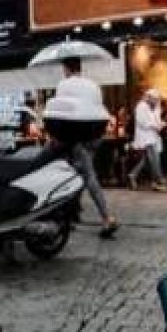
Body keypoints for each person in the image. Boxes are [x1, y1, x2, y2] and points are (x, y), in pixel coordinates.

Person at [54, 57, 118, 237]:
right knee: (78, 173)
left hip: (76, 137)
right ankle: (71, 214)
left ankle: (107, 218)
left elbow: (61, 112)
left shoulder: (63, 85)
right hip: (95, 136)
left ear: (66, 69)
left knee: (87, 176)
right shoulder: (93, 85)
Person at [128, 89, 167, 191]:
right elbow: (143, 122)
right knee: (155, 159)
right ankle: (158, 180)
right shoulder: (141, 107)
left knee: (146, 160)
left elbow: (156, 119)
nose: (156, 101)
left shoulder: (155, 107)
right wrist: (156, 126)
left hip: (153, 136)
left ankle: (133, 175)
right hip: (146, 137)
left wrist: (161, 124)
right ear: (149, 97)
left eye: (157, 99)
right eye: (154, 99)